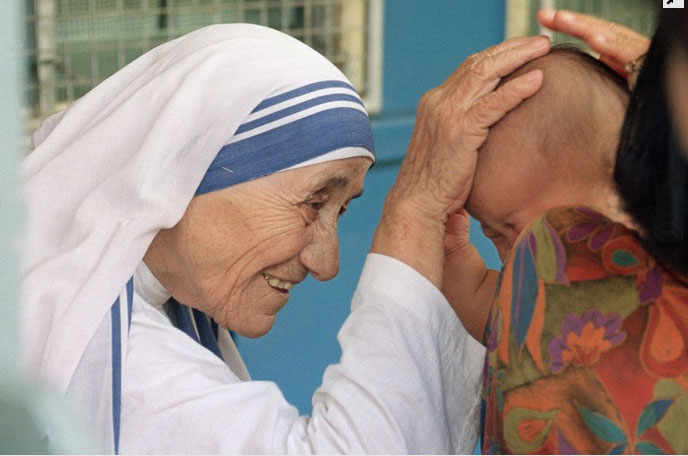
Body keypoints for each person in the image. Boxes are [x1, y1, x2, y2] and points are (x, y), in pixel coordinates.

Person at [21, 23, 551, 453]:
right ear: (181, 171)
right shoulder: (105, 361)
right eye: (314, 201)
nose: (326, 263)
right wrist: (414, 211)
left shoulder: (63, 300)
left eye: (342, 210)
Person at [444, 8, 688, 453]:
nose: (507, 256)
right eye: (492, 234)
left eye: (511, 230)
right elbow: (498, 312)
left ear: (619, 185)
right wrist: (451, 250)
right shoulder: (545, 305)